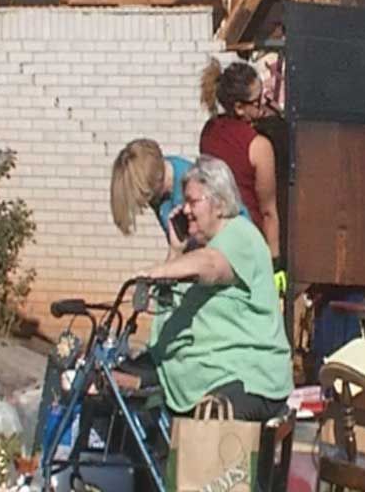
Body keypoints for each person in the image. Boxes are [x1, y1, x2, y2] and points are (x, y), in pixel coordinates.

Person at [131, 156, 293, 420]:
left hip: (247, 375)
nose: (184, 210)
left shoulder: (240, 235)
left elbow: (212, 266)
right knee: (113, 383)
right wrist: (175, 250)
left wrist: (155, 272)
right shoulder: (199, 246)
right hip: (193, 366)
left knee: (212, 414)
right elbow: (165, 308)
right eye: (184, 202)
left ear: (218, 203)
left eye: (193, 202)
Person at [199, 59, 282, 262]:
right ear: (239, 107)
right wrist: (275, 261)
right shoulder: (259, 146)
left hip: (216, 242)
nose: (263, 105)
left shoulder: (208, 132)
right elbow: (268, 212)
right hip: (249, 245)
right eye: (257, 101)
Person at [110, 138, 250, 254]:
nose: (146, 203)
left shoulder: (193, 184)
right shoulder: (159, 193)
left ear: (155, 184)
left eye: (145, 197)